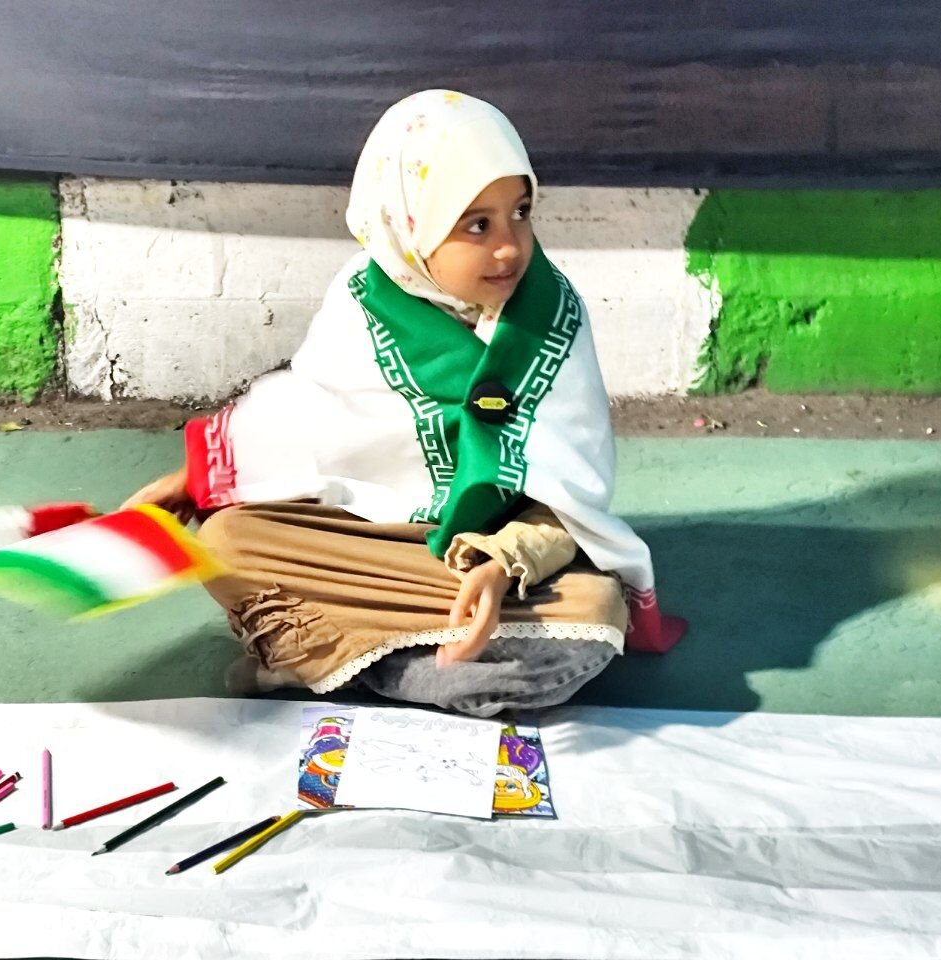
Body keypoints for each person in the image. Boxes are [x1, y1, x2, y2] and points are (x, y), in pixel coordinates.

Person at [124, 90, 687, 717]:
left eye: (521, 213)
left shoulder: (550, 317)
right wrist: (191, 479)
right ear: (408, 226)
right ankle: (407, 666)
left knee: (593, 616)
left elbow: (569, 502)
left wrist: (502, 563)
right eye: (477, 225)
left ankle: (327, 658)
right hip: (376, 542)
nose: (509, 247)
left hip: (485, 552)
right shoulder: (361, 301)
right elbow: (305, 423)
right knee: (228, 539)